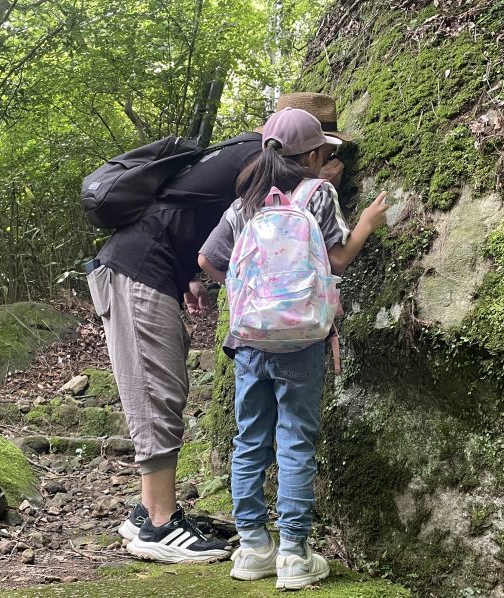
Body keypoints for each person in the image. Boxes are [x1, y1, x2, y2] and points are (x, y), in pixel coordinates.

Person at [85, 93, 350, 564]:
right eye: (327, 150)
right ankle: (160, 525)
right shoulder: (262, 162)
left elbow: (209, 228)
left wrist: (193, 275)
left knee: (168, 388)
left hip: (150, 267)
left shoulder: (245, 156)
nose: (329, 159)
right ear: (310, 149)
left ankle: (147, 512)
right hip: (138, 269)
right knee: (157, 390)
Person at [197, 107, 388, 588]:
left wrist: (247, 295)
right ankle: (295, 556)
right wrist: (366, 221)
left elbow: (208, 258)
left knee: (250, 441)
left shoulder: (245, 202)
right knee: (296, 440)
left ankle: (253, 548)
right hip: (302, 340)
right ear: (314, 153)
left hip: (249, 339)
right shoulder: (319, 193)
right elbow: (338, 260)